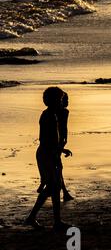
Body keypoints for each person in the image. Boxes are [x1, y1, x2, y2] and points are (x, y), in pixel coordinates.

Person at [25, 87, 70, 231]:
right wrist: (56, 153)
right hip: (47, 154)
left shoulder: (51, 114)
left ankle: (55, 221)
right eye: (59, 99)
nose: (61, 102)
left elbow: (52, 139)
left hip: (49, 152)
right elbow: (45, 139)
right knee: (52, 187)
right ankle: (33, 217)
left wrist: (60, 150)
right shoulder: (49, 116)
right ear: (53, 100)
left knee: (54, 187)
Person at [37, 92, 73, 201]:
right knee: (57, 172)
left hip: (56, 144)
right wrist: (61, 146)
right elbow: (59, 130)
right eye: (64, 100)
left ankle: (48, 184)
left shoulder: (59, 112)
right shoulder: (54, 114)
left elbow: (63, 128)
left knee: (57, 171)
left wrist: (63, 143)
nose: (67, 102)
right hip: (52, 147)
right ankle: (58, 189)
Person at [58, 92, 74, 201]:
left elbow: (65, 127)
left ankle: (64, 192)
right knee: (58, 167)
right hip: (57, 140)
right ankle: (64, 192)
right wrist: (63, 141)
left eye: (68, 100)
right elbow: (62, 127)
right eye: (65, 100)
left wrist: (65, 140)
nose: (68, 102)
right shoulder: (62, 112)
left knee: (58, 166)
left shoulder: (64, 112)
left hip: (60, 140)